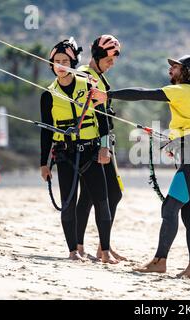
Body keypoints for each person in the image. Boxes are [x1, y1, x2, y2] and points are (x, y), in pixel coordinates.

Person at [108, 55, 190, 279]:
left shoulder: (183, 90)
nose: (170, 71)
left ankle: (159, 261)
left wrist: (107, 94)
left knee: (169, 208)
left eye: (174, 67)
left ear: (187, 72)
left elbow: (142, 93)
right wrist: (176, 143)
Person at [39, 38, 117, 263]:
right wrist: (43, 163)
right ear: (52, 64)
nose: (61, 65)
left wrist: (104, 148)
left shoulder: (89, 85)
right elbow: (45, 132)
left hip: (91, 152)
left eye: (65, 61)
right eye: (57, 61)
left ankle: (105, 251)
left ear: (73, 63)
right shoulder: (48, 94)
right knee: (68, 204)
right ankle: (73, 251)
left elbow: (102, 120)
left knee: (102, 201)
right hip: (65, 155)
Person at [75, 34, 126, 261]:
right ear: (97, 55)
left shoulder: (98, 77)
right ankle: (89, 247)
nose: (112, 63)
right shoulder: (88, 76)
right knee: (111, 193)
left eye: (114, 59)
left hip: (101, 143)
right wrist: (104, 147)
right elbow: (100, 115)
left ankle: (97, 245)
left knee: (90, 195)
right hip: (95, 145)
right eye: (109, 58)